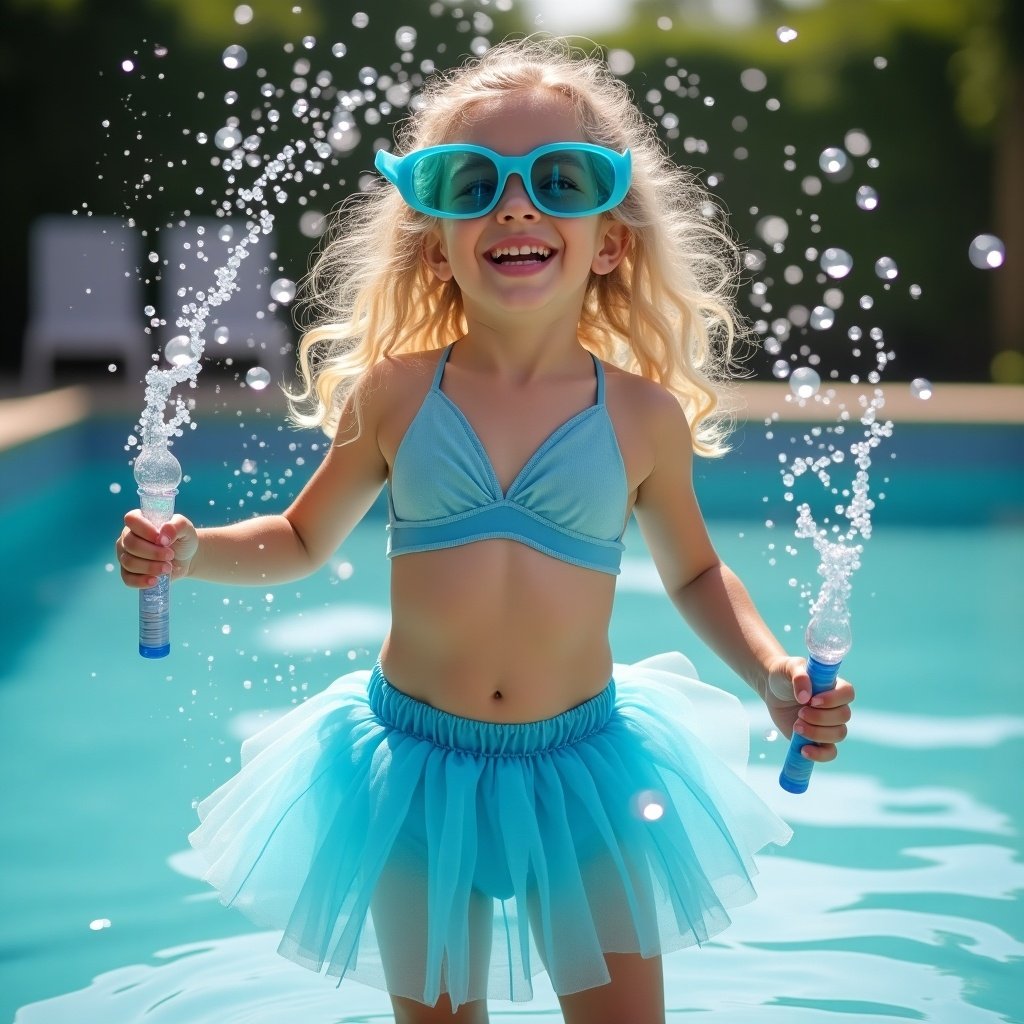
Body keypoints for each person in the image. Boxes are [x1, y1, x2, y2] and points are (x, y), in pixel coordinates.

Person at [115, 36, 854, 1024]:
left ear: (611, 238)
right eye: (474, 183)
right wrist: (195, 550)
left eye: (559, 179)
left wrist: (768, 670)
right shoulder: (395, 395)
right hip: (412, 771)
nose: (517, 205)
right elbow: (299, 538)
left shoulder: (638, 417)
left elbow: (693, 574)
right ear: (435, 239)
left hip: (587, 768)